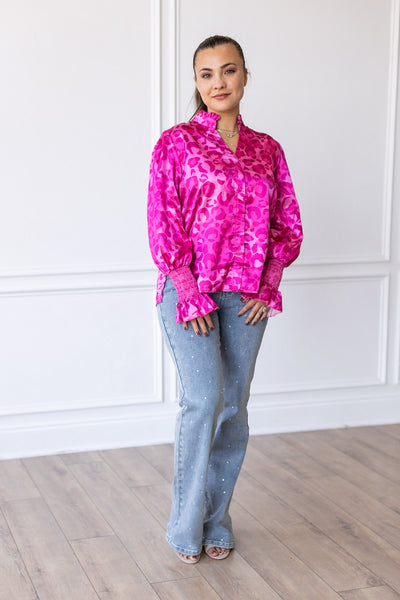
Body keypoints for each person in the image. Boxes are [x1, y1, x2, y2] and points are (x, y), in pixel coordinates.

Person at [147, 35, 303, 564]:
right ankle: (184, 527)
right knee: (203, 401)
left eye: (228, 70)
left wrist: (270, 281)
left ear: (244, 77)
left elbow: (287, 222)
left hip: (247, 296)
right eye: (206, 73)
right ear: (196, 82)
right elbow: (163, 219)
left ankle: (217, 520)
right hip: (190, 289)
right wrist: (188, 290)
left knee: (233, 408)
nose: (218, 82)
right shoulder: (175, 144)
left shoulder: (267, 149)